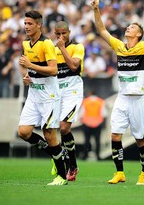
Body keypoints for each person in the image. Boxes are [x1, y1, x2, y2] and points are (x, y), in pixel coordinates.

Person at [91, 0, 144, 185]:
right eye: (128, 26)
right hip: (122, 98)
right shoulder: (119, 46)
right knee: (115, 135)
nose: (128, 28)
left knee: (140, 139)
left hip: (138, 99)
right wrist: (96, 9)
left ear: (139, 34)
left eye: (132, 27)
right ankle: (120, 173)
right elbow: (101, 29)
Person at [17, 10, 67, 186]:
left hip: (49, 96)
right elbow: (30, 68)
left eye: (30, 24)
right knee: (23, 132)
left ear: (39, 25)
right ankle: (56, 154)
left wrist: (30, 65)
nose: (27, 27)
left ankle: (62, 177)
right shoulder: (26, 44)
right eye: (25, 23)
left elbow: (53, 70)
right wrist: (28, 75)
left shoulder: (46, 44)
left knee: (49, 135)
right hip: (34, 93)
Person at [52, 20, 85, 181]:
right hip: (56, 91)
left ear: (69, 32)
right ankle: (70, 163)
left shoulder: (77, 47)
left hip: (73, 90)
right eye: (57, 34)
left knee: (64, 128)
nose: (60, 36)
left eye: (63, 33)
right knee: (53, 130)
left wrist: (62, 48)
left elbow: (73, 66)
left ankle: (71, 165)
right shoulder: (51, 49)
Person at [80, 90, 107, 161]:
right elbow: (104, 114)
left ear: (90, 93)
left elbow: (82, 113)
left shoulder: (85, 101)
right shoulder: (101, 101)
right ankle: (98, 156)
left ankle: (85, 156)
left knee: (86, 140)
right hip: (98, 123)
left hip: (86, 123)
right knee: (97, 140)